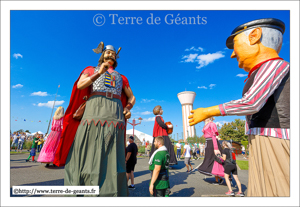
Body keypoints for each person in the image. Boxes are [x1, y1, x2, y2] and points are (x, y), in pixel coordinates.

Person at [188, 18, 289, 197]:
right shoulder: (260, 71)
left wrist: (208, 111)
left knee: (278, 189)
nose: (233, 54)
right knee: (263, 189)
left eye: (235, 45)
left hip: (275, 140)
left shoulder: (274, 65)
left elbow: (252, 102)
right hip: (262, 138)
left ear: (254, 36)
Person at [53, 42, 135, 197]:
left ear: (116, 57)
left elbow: (131, 97)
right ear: (102, 55)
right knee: (87, 149)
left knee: (112, 153)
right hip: (94, 110)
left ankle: (109, 192)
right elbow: (80, 85)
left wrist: (127, 108)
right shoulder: (90, 69)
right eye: (107, 53)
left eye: (113, 54)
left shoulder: (122, 77)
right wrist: (99, 73)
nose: (110, 55)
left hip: (115, 114)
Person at [197, 117, 224, 183]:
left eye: (205, 117)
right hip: (208, 143)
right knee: (211, 159)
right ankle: (218, 179)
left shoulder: (212, 124)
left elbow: (214, 136)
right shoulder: (206, 124)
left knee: (215, 160)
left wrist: (216, 148)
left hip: (212, 143)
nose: (204, 119)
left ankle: (220, 178)